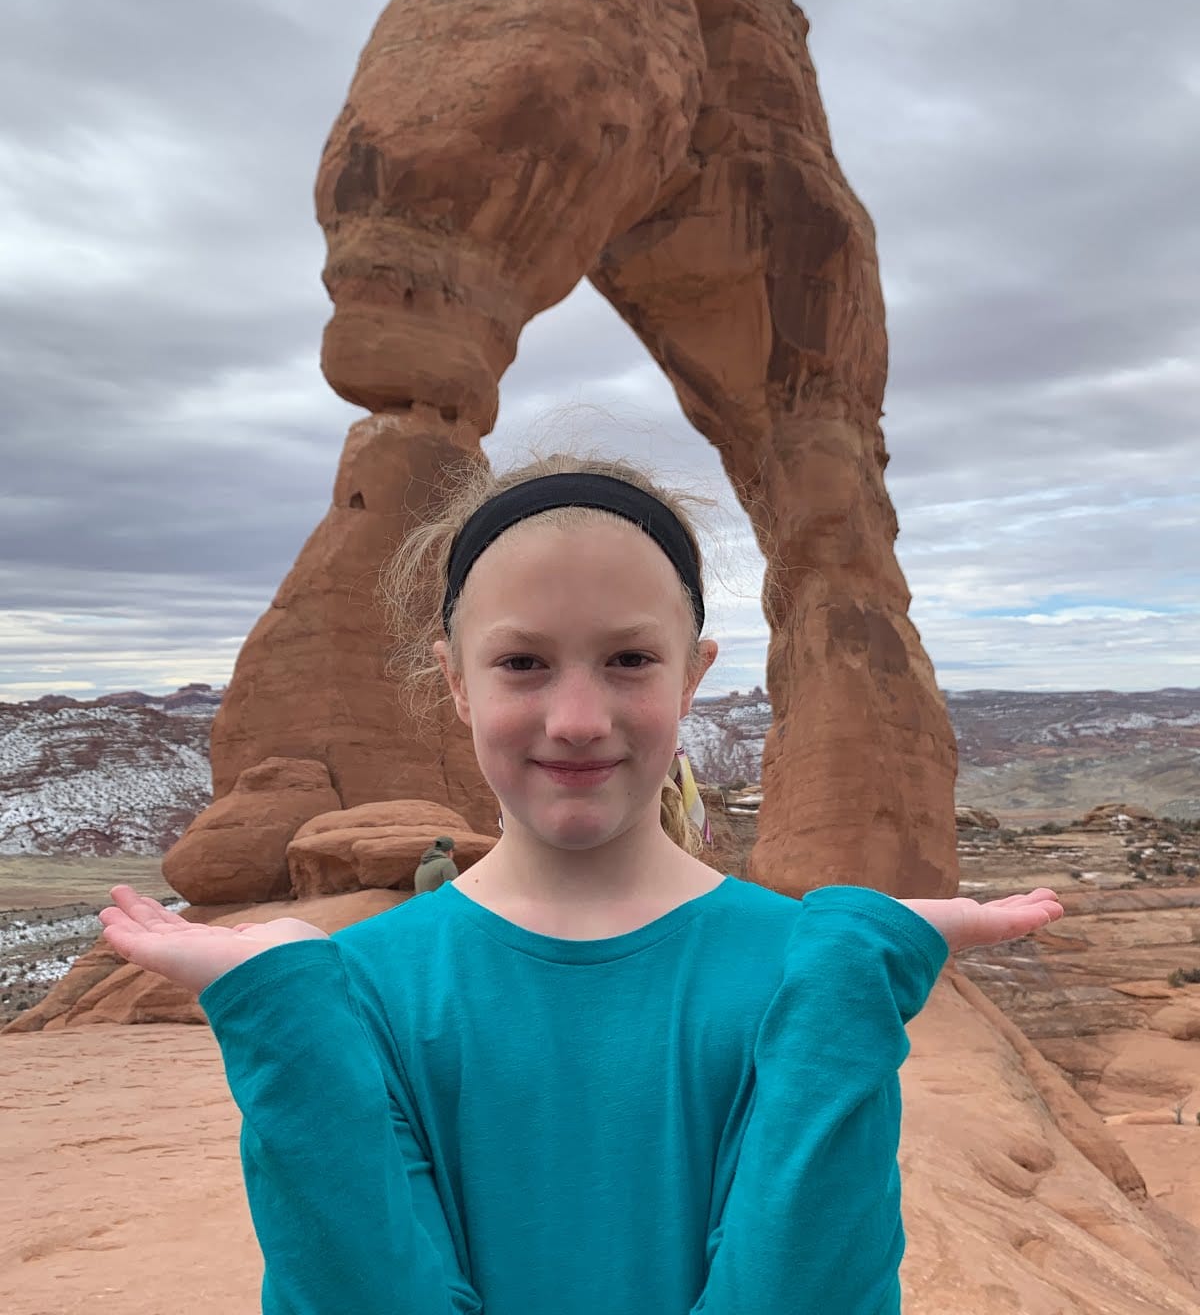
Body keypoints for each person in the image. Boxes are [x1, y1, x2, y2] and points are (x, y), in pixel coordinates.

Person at [101, 453, 1063, 1315]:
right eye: (523, 662)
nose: (574, 717)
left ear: (694, 677)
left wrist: (852, 983)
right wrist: (287, 1028)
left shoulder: (802, 980)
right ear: (455, 684)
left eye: (629, 660)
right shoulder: (351, 992)